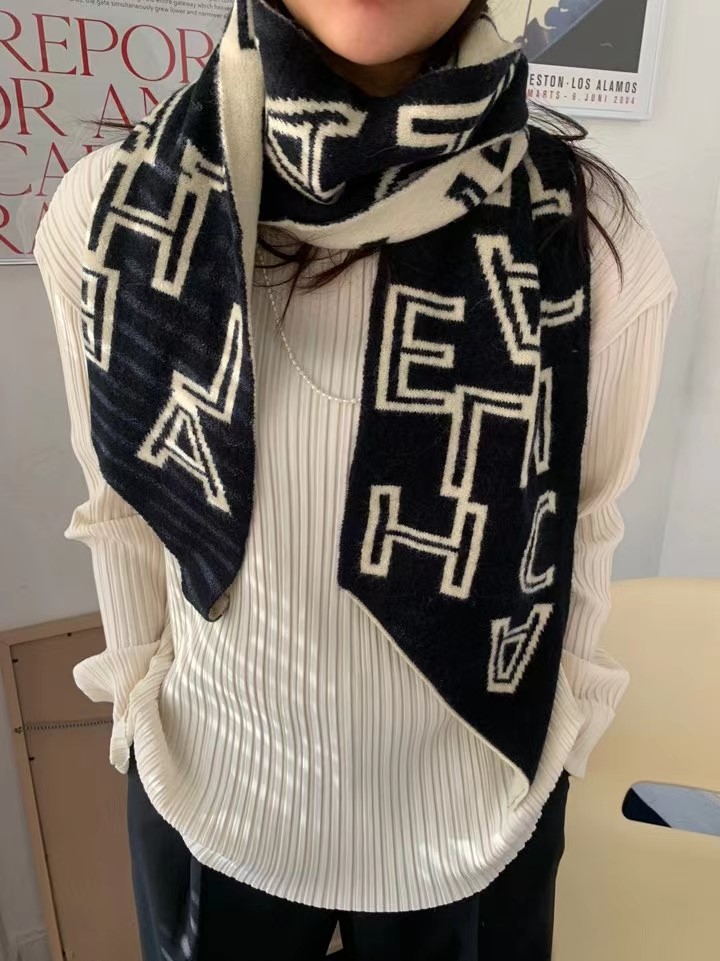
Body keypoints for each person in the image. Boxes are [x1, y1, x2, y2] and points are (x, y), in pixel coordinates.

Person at [35, 1, 676, 959]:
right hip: (212, 797)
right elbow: (124, 508)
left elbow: (582, 520)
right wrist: (138, 703)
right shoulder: (116, 210)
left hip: (476, 817)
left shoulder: (588, 241)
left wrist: (556, 752)